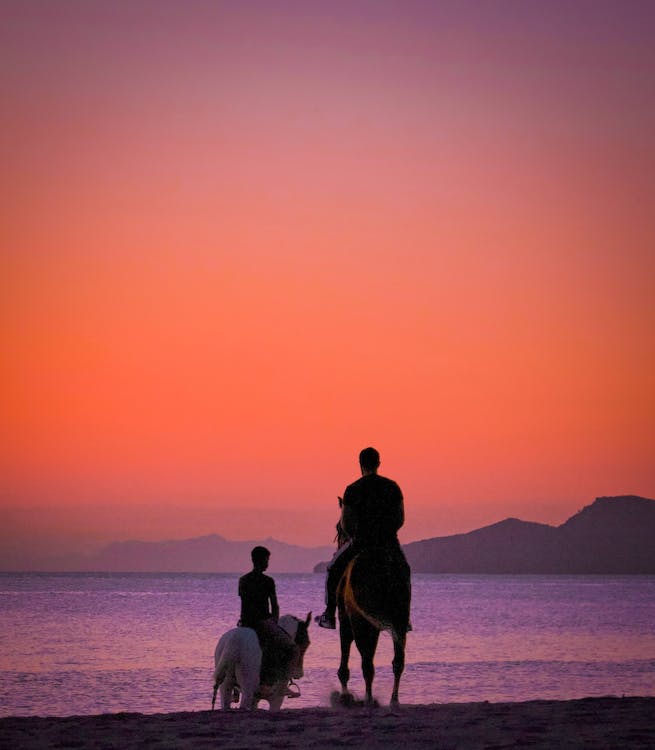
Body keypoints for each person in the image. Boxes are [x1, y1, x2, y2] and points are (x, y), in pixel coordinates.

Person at [315, 446, 409, 629]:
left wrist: (356, 536)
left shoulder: (352, 489)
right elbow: (400, 519)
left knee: (333, 569)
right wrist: (387, 533)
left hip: (361, 543)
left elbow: (346, 525)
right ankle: (403, 618)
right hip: (388, 542)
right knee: (404, 571)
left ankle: (329, 614)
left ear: (360, 465)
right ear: (379, 463)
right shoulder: (392, 487)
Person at [238, 546, 295, 685]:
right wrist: (274, 622)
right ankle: (283, 684)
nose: (267, 563)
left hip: (244, 622)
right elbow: (275, 605)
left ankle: (235, 686)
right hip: (263, 622)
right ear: (261, 560)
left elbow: (245, 602)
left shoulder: (243, 580)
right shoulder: (268, 581)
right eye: (267, 559)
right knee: (291, 647)